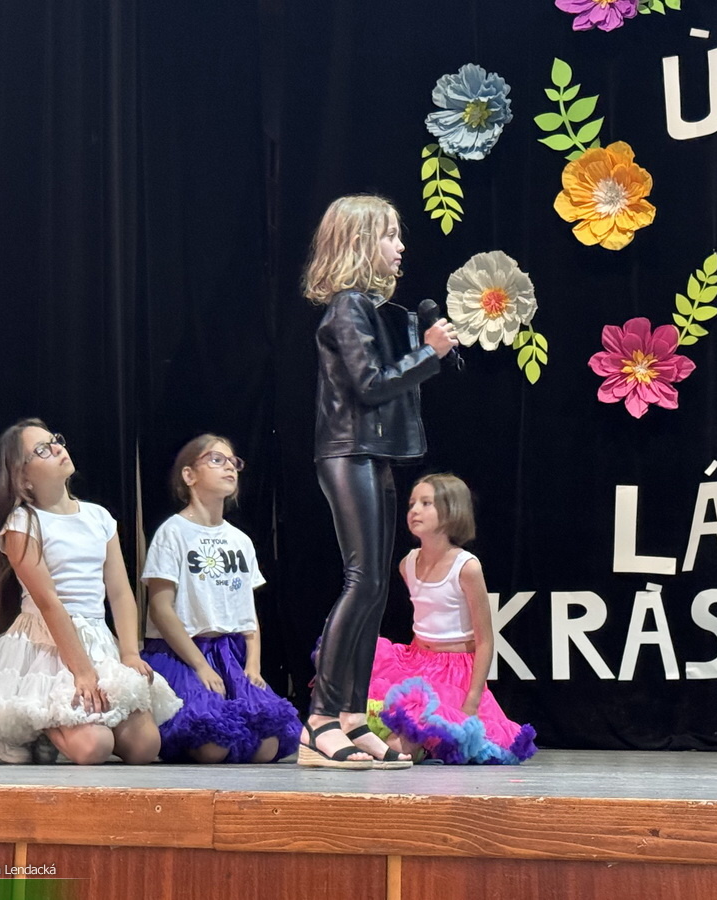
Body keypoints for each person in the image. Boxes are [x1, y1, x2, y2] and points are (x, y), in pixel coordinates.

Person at [299, 194, 459, 769]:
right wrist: (429, 354)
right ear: (361, 242)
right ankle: (320, 720)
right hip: (347, 452)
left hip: (373, 453)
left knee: (375, 589)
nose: (400, 246)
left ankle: (349, 717)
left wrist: (424, 348)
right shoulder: (346, 306)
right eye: (390, 236)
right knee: (361, 579)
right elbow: (369, 384)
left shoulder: (370, 308)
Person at [0, 418, 180, 764]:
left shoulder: (99, 518)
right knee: (94, 748)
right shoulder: (23, 523)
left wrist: (129, 653)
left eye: (54, 440)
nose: (56, 448)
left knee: (144, 747)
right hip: (50, 642)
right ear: (23, 477)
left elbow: (120, 592)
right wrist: (81, 671)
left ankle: (70, 725)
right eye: (41, 449)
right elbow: (49, 602)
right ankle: (41, 727)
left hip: (96, 637)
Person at [140, 434, 300, 763]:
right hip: (183, 653)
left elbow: (247, 612)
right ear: (189, 475)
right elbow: (160, 608)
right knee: (211, 743)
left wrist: (253, 664)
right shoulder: (173, 532)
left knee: (267, 746)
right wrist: (199, 666)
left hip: (229, 654)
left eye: (233, 462)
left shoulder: (240, 540)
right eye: (216, 459)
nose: (229, 467)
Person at [368, 474, 537, 764]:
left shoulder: (466, 567)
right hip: (418, 663)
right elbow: (424, 625)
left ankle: (425, 744)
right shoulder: (408, 564)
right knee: (381, 732)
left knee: (400, 748)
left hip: (454, 674)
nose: (414, 511)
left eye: (426, 503)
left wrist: (472, 698)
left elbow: (485, 641)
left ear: (451, 512)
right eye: (412, 504)